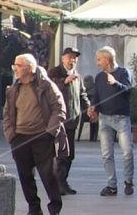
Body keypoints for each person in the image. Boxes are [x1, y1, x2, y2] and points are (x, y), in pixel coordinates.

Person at [3, 53, 65, 215]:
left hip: (41, 137)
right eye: (14, 66)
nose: (15, 69)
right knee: (25, 176)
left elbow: (59, 108)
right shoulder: (13, 89)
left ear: (29, 68)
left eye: (18, 65)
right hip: (20, 138)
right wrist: (11, 135)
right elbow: (7, 114)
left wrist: (50, 132)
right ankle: (34, 208)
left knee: (48, 175)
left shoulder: (46, 85)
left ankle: (55, 208)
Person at [87, 46, 135, 197]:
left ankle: (128, 181)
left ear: (107, 60)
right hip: (105, 119)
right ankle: (111, 186)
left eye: (99, 59)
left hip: (121, 118)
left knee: (127, 152)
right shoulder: (99, 77)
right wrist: (93, 107)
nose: (97, 63)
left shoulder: (123, 72)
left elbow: (128, 91)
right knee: (107, 154)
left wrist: (115, 83)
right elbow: (97, 96)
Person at [48, 46, 90, 195]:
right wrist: (65, 81)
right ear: (63, 58)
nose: (72, 60)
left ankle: (62, 181)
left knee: (69, 154)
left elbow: (82, 94)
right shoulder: (55, 72)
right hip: (59, 120)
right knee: (61, 153)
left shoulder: (77, 75)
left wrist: (89, 108)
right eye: (70, 57)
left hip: (73, 119)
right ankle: (59, 184)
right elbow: (49, 90)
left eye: (75, 57)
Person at [82, 75, 98, 142]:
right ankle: (93, 138)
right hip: (93, 112)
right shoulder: (95, 89)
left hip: (84, 113)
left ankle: (92, 138)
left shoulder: (83, 89)